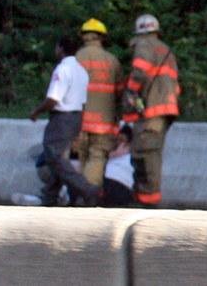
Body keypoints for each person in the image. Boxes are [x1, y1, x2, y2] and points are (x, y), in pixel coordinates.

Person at [28, 35, 102, 207]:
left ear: (60, 48)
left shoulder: (63, 70)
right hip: (76, 118)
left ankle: (86, 189)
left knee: (54, 157)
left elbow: (53, 99)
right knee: (58, 157)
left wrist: (36, 111)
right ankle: (49, 196)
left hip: (62, 119)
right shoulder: (81, 70)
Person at [122, 13, 180, 208]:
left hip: (152, 112)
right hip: (165, 110)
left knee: (144, 155)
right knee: (151, 152)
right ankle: (146, 199)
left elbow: (140, 70)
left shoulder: (144, 45)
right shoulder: (166, 50)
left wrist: (130, 90)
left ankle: (147, 201)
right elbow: (175, 85)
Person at [75, 18, 123, 188]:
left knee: (82, 158)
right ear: (102, 37)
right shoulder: (112, 61)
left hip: (78, 121)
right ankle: (89, 197)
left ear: (83, 36)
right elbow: (120, 93)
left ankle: (78, 195)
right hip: (103, 122)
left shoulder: (75, 59)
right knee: (97, 157)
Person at [100, 124, 135, 207]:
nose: (118, 143)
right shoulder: (110, 153)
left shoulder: (132, 156)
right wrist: (113, 154)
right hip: (107, 184)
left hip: (122, 187)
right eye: (117, 140)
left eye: (122, 140)